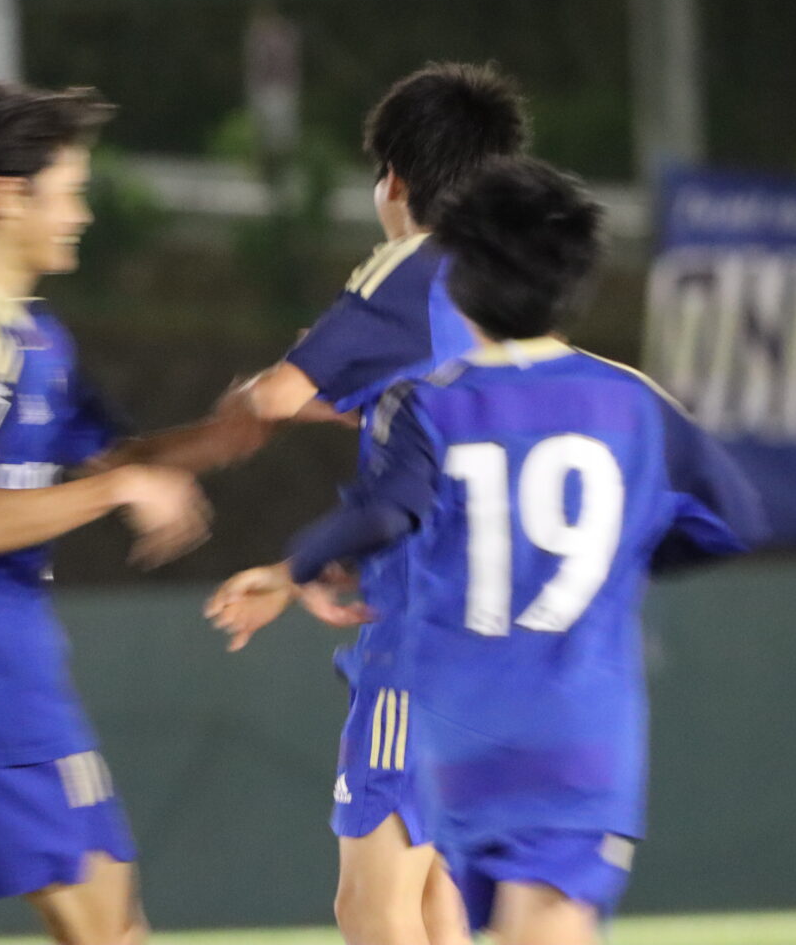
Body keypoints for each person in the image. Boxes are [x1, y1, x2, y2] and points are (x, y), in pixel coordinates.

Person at [206, 158, 768, 945]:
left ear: (461, 277)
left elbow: (385, 512)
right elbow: (734, 517)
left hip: (463, 734)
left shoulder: (432, 404)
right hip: (583, 730)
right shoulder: (629, 403)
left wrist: (289, 568)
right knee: (545, 922)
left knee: (443, 914)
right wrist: (622, 559)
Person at [110, 62, 528, 945]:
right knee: (436, 897)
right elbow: (422, 417)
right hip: (502, 623)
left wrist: (189, 436)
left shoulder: (407, 268)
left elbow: (275, 396)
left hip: (425, 629)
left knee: (371, 907)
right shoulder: (502, 292)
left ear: (395, 182)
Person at [0, 79, 249, 945]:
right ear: (4, 197)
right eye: (69, 192)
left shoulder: (24, 335)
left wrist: (234, 431)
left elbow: (122, 459)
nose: (82, 215)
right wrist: (116, 492)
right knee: (112, 929)